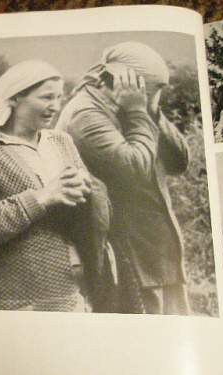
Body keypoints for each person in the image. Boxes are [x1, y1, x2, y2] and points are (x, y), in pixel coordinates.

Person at [0, 60, 112, 312]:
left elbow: (87, 207)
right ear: (15, 98)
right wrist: (43, 197)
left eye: (59, 97)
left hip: (68, 295)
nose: (55, 107)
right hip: (9, 301)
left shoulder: (61, 141)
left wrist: (86, 190)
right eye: (47, 97)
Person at [56, 42, 190, 315]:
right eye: (151, 91)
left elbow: (179, 162)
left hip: (157, 253)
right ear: (124, 82)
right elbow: (134, 170)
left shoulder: (126, 106)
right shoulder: (85, 114)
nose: (153, 97)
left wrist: (152, 110)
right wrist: (139, 112)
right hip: (127, 256)